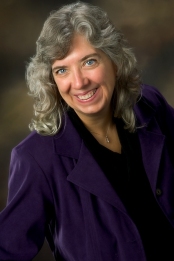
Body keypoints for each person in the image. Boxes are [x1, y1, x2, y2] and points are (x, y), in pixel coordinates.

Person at [0, 1, 174, 261]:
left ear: (114, 60)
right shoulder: (35, 158)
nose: (79, 82)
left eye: (89, 61)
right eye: (62, 70)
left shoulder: (150, 105)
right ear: (51, 81)